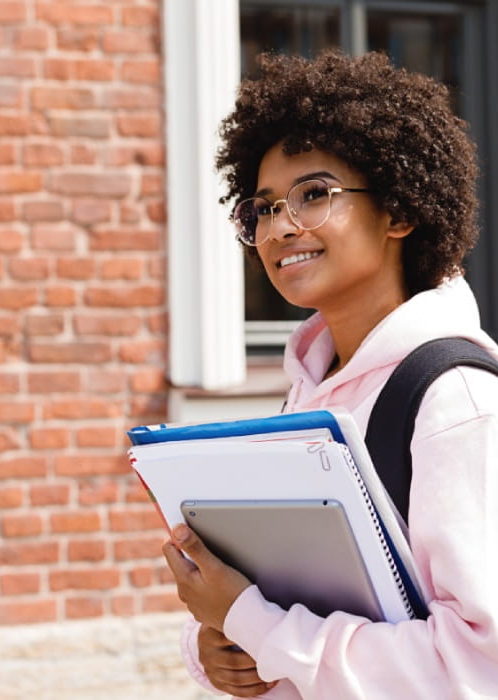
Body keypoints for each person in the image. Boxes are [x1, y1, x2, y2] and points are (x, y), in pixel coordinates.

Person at [162, 50, 498, 699]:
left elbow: (479, 669)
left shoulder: (456, 402)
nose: (279, 227)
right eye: (261, 208)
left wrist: (253, 624)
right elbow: (288, 602)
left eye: (314, 194)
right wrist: (220, 648)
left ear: (399, 211)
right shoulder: (310, 388)